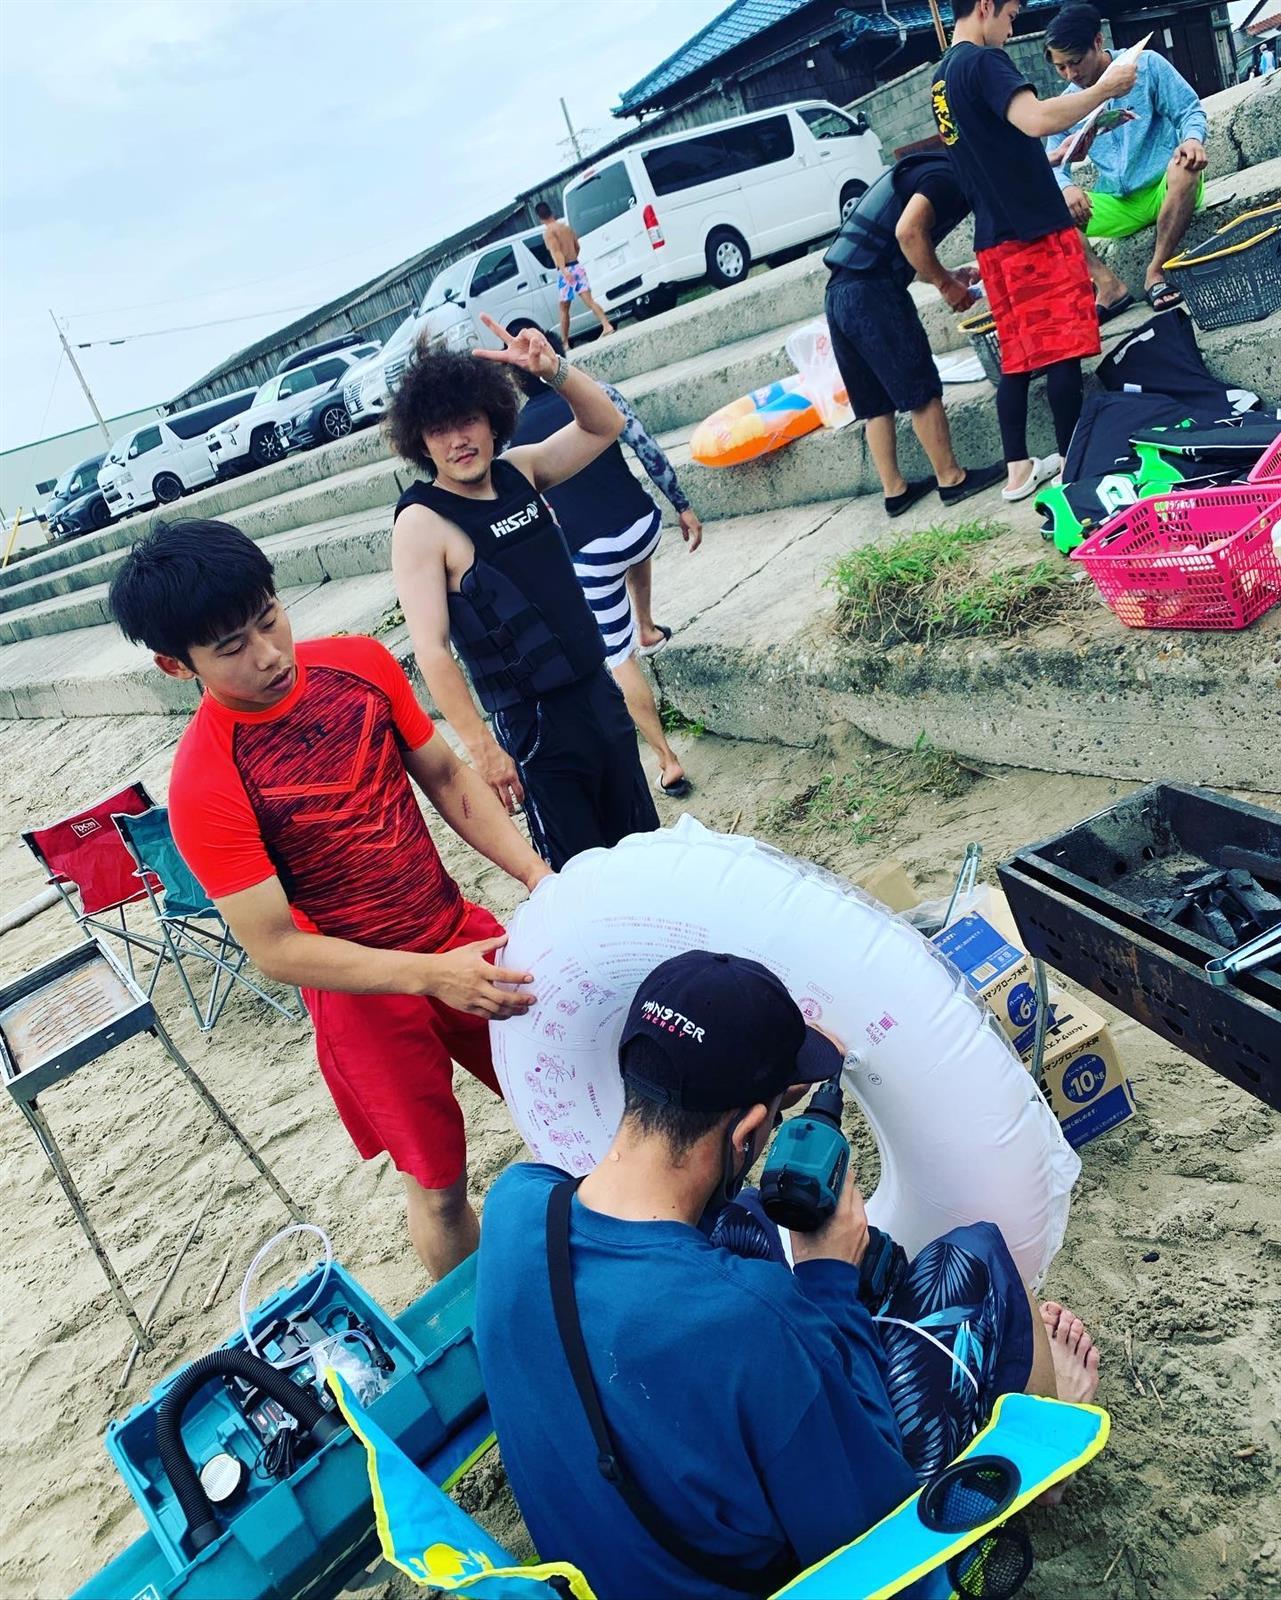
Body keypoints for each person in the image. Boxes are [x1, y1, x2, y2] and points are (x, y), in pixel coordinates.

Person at [475, 949, 1101, 1599]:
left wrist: (759, 1098)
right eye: (771, 1117)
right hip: (790, 1576)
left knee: (745, 1216)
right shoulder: (755, 1322)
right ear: (749, 1130)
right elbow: (875, 1534)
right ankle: (1046, 1469)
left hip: (615, 1544)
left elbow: (661, 1217)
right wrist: (828, 1276)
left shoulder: (517, 1203)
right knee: (978, 1257)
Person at [107, 520, 549, 1280]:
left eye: (268, 618)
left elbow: (447, 777)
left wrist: (538, 877)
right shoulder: (206, 782)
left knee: (564, 1088)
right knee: (439, 1186)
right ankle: (475, 1327)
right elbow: (275, 948)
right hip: (364, 996)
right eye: (231, 647)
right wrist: (429, 976)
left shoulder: (360, 666)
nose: (269, 654)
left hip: (456, 932)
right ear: (176, 666)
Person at [388, 316, 660, 872]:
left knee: (645, 847)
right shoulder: (421, 523)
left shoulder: (521, 469)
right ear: (421, 441)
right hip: (532, 727)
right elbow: (432, 650)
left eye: (468, 420)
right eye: (440, 429)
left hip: (597, 690)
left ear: (492, 419)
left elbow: (604, 424)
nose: (459, 440)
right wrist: (483, 749)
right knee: (581, 872)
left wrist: (554, 371)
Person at [931, 0, 1138, 502]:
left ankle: (1018, 469)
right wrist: (1104, 89)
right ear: (986, 6)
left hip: (995, 242)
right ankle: (1073, 467)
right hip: (1034, 235)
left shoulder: (941, 80)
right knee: (1063, 352)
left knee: (1019, 359)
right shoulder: (985, 61)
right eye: (1010, 15)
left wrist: (1055, 156)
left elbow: (993, 150)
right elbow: (1038, 117)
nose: (1011, 27)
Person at [509, 331, 700, 799]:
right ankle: (646, 626)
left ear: (515, 382)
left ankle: (668, 761)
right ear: (560, 355)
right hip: (642, 526)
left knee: (618, 658)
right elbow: (647, 448)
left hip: (591, 555)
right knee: (630, 549)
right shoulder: (600, 394)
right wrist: (681, 504)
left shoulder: (515, 440)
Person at [823, 150, 1006, 517]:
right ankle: (951, 478)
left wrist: (949, 274)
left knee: (875, 402)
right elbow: (908, 234)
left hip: (838, 293)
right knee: (920, 387)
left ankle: (895, 491)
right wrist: (945, 285)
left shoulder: (927, 172)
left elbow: (907, 249)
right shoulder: (945, 179)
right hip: (873, 294)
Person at [1044, 3, 1209, 318]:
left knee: (1185, 167)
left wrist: (1191, 140)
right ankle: (1108, 286)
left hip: (1165, 187)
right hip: (1118, 202)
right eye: (1060, 67)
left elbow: (1189, 110)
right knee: (1046, 207)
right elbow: (1052, 165)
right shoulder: (1069, 102)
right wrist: (1066, 187)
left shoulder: (1146, 65)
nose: (1071, 74)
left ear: (1097, 41)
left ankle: (1156, 272)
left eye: (1075, 62)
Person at [534, 199, 614, 347]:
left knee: (563, 309)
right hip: (576, 266)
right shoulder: (566, 228)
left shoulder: (549, 233)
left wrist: (564, 269)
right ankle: (606, 324)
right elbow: (577, 246)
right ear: (551, 212)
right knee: (589, 301)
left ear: (539, 217)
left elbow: (556, 252)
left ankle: (565, 343)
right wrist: (572, 260)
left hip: (566, 270)